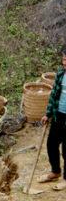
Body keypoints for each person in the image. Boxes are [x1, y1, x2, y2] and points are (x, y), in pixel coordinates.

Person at [38, 46, 66, 190]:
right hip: (58, 115)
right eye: (63, 59)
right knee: (51, 144)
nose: (64, 62)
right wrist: (48, 114)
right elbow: (53, 96)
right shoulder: (61, 74)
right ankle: (55, 171)